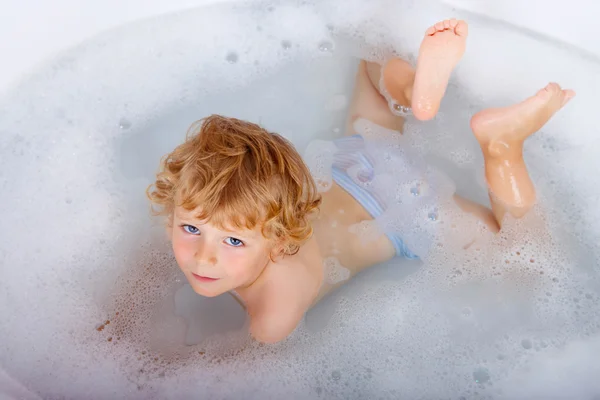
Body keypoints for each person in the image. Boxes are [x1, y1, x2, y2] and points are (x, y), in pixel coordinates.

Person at [147, 19, 575, 343]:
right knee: (372, 60)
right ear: (173, 212)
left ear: (279, 244)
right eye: (190, 228)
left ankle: (503, 147)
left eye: (234, 242)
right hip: (357, 161)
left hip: (405, 213)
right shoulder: (236, 227)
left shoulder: (272, 318)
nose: (203, 258)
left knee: (524, 256)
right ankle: (415, 95)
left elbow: (218, 380)